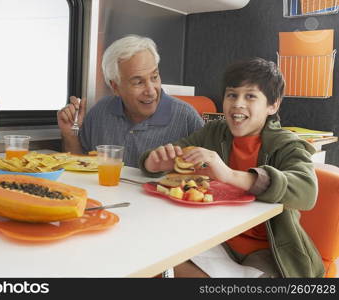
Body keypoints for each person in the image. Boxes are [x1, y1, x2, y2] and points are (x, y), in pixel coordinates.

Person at [140, 57, 324, 278]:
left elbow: (307, 191)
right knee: (151, 257)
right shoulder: (214, 132)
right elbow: (175, 152)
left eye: (250, 96)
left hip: (269, 251)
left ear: (272, 105)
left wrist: (229, 175)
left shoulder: (286, 144)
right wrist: (154, 161)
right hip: (218, 240)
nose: (238, 103)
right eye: (232, 95)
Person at [57, 34, 204, 168]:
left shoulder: (187, 118)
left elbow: (208, 175)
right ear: (115, 87)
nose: (151, 91)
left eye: (154, 77)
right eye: (138, 82)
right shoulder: (99, 112)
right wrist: (70, 135)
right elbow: (80, 166)